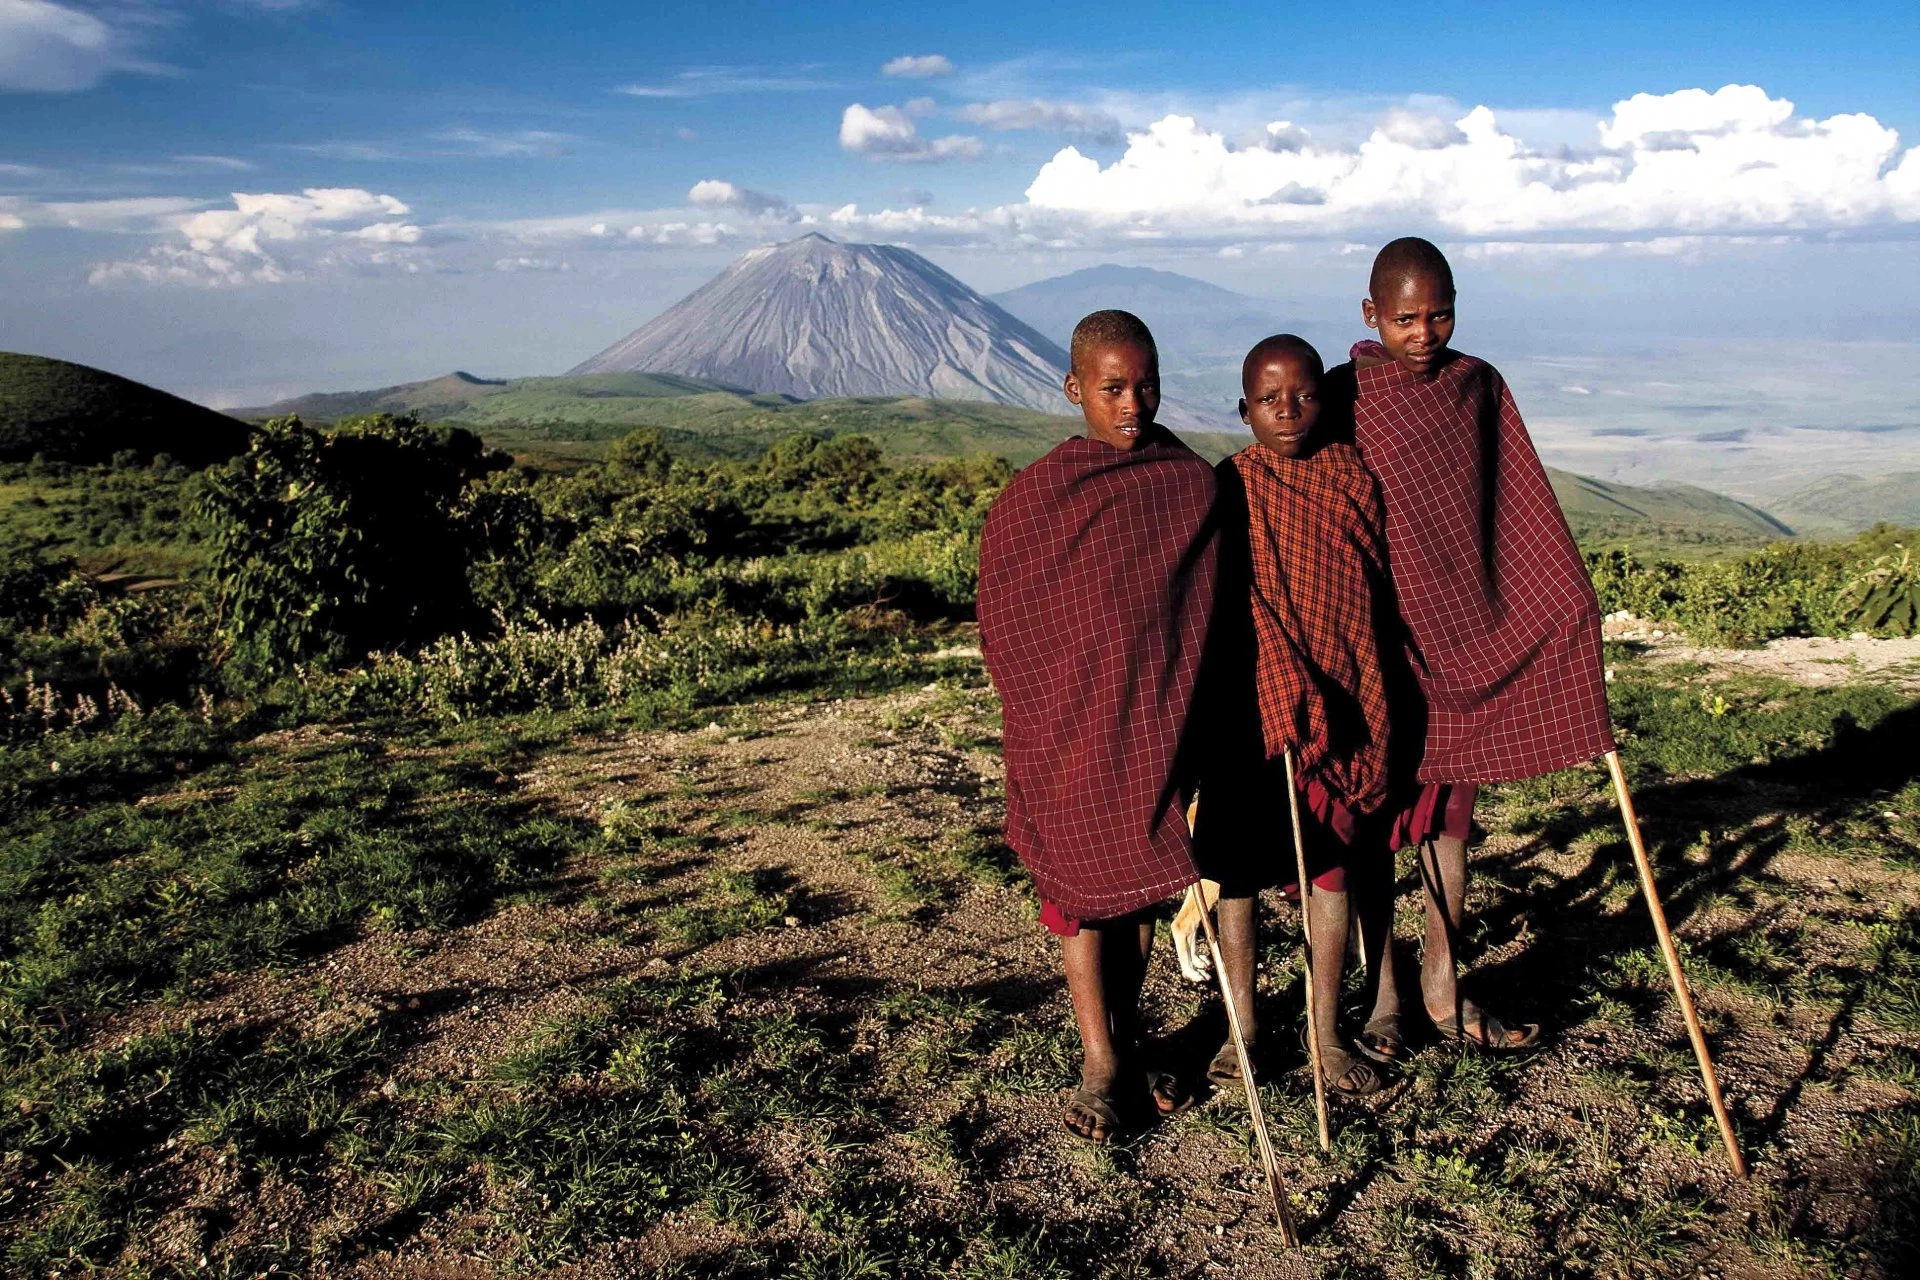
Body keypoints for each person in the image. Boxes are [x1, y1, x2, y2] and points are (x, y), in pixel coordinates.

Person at [1325, 237, 1616, 1053]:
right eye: (1406, 317)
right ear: (1370, 314)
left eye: (1440, 314)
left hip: (1464, 642)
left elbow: (1519, 505)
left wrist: (1564, 596)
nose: (1424, 333)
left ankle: (1445, 984)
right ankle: (1384, 996)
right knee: (1379, 829)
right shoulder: (1344, 396)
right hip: (1377, 653)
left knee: (1451, 825)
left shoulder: (1477, 387)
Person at [976, 309, 1219, 1142]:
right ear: (1074, 388)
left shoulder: (1187, 481)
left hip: (1156, 715)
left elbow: (1205, 602)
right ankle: (1100, 1062)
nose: (1131, 405)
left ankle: (1133, 1034)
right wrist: (1043, 703)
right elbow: (1006, 615)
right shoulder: (1041, 493)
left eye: (1145, 386)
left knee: (1142, 878)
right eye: (1111, 388)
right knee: (1080, 893)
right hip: (1067, 724)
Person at [1193, 334, 1408, 1099]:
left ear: (1327, 398)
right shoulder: (1228, 486)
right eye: (1268, 399)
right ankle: (1241, 1030)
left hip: (1347, 705)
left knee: (1330, 870)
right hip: (1253, 715)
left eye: (1305, 395)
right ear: (1242, 408)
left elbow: (1367, 596)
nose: (1288, 412)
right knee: (1242, 878)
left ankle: (1325, 1032)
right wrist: (1279, 671)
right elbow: (1215, 602)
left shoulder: (1350, 477)